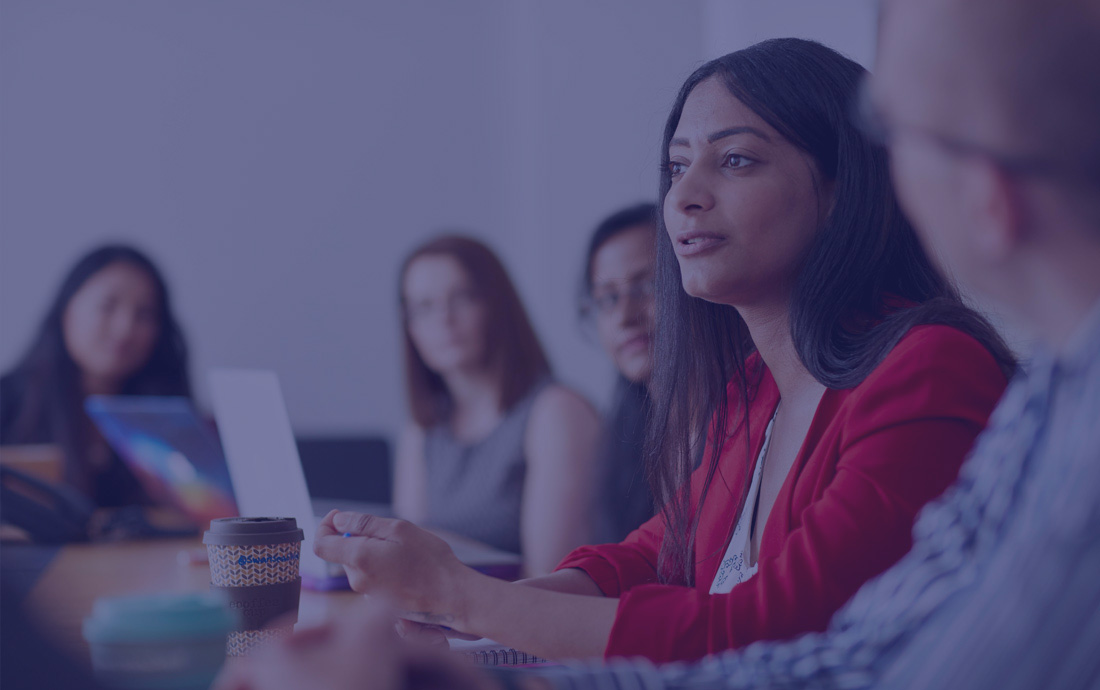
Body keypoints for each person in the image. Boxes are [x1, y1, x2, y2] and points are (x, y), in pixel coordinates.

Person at [311, 38, 1013, 664]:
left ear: (841, 191)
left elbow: (778, 628)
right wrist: (468, 615)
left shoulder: (929, 367)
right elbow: (656, 554)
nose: (684, 198)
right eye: (676, 167)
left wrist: (468, 599)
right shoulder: (753, 387)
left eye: (735, 160)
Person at [391, 235, 601, 576]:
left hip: (521, 623)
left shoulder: (556, 413)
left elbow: (547, 582)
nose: (443, 319)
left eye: (461, 298)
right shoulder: (421, 428)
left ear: (495, 305)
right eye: (424, 307)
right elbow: (406, 563)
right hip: (443, 622)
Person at [0, 244, 192, 508]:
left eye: (144, 314)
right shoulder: (9, 402)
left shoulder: (168, 414)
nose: (125, 329)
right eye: (107, 306)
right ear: (68, 312)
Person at [580, 203, 659, 544]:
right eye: (608, 298)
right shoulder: (622, 434)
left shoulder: (743, 423)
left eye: (648, 287)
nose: (625, 316)